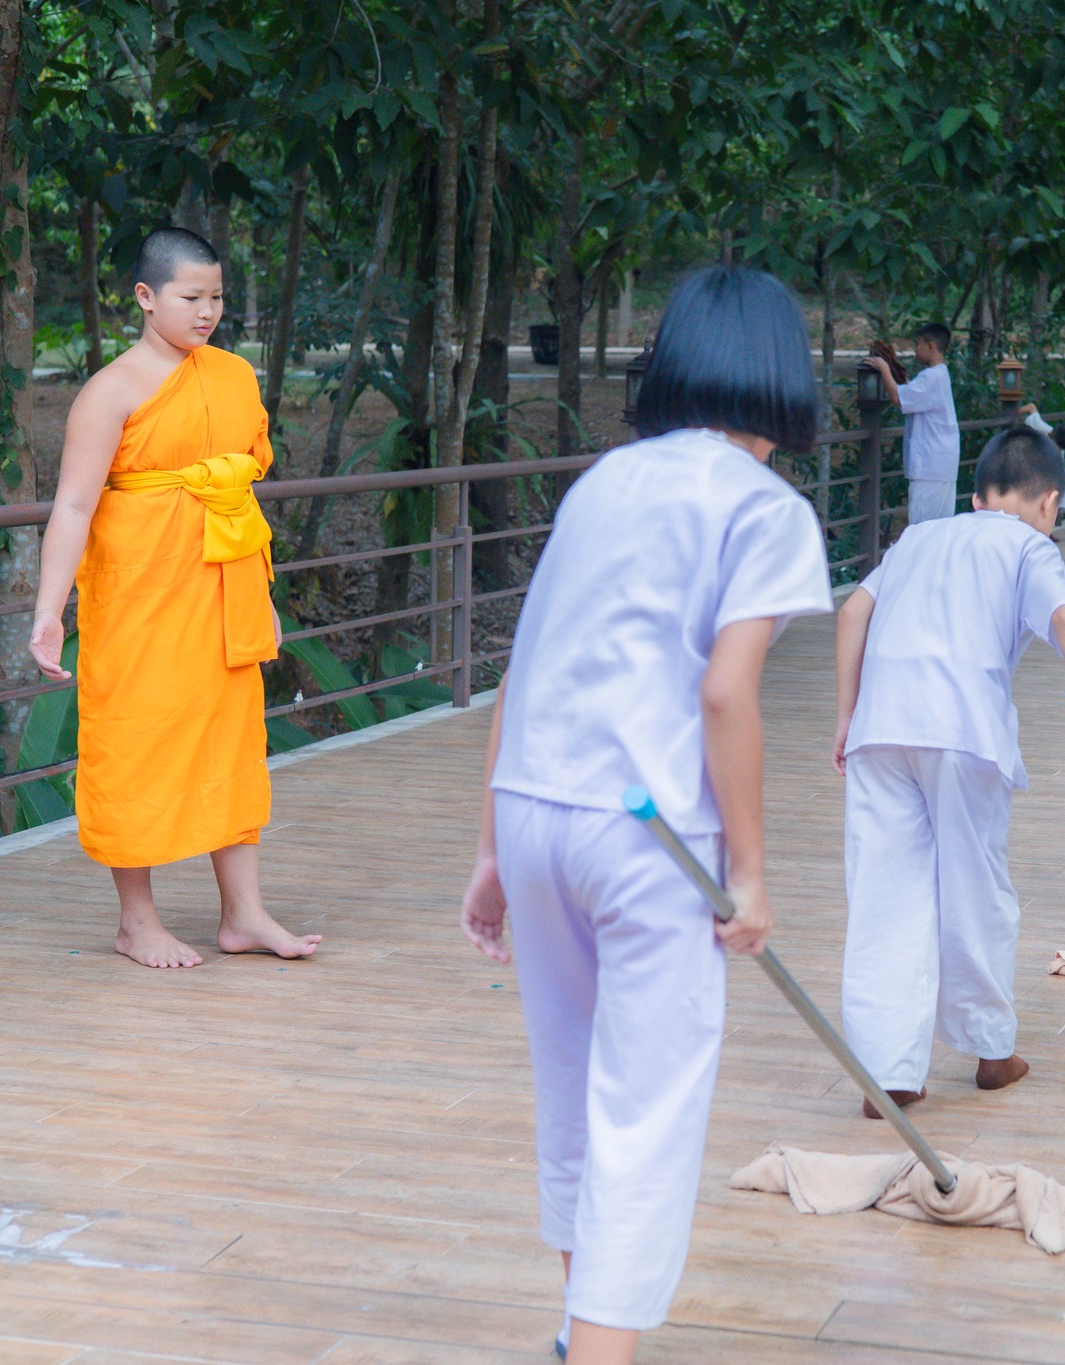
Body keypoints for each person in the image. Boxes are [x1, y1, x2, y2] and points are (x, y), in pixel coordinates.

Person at [459, 266, 833, 1365]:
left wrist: (488, 846)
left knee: (571, 1083)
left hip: (534, 808)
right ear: (781, 372)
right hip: (649, 836)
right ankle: (604, 1355)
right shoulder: (765, 508)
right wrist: (752, 874)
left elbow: (525, 666)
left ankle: (582, 1332)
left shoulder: (602, 481)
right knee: (647, 1102)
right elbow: (725, 695)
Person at [27, 226, 318, 971]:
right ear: (146, 297)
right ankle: (137, 919)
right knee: (138, 741)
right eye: (192, 297)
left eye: (217, 296)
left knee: (233, 744)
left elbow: (237, 488)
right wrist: (48, 610)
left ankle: (243, 913)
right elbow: (71, 508)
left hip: (224, 587)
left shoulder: (232, 376)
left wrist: (261, 587)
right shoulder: (111, 390)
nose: (208, 311)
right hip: (142, 596)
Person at [832, 425, 1065, 1116]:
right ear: (1050, 502)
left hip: (881, 728)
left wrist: (846, 715)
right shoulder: (1029, 544)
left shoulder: (918, 537)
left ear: (975, 496)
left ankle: (890, 1072)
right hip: (962, 733)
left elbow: (853, 612)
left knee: (884, 895)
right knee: (973, 885)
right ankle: (992, 1050)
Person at [871, 323, 960, 524]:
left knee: (922, 527)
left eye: (918, 343)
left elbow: (898, 398)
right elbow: (911, 394)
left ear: (931, 346)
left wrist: (883, 368)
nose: (915, 348)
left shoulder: (932, 377)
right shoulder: (939, 374)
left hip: (930, 467)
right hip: (940, 465)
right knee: (939, 527)